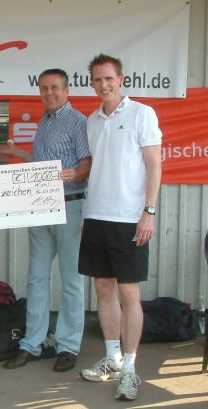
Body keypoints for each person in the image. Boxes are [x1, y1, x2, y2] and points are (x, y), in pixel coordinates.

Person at [79, 54, 162, 402]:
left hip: (130, 219)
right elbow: (96, 169)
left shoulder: (142, 114)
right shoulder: (92, 120)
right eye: (97, 80)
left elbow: (155, 166)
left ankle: (129, 368)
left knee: (130, 295)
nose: (103, 85)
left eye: (109, 79)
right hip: (96, 217)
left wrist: (149, 213)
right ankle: (112, 358)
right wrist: (87, 216)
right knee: (103, 289)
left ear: (121, 79)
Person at [1, 69, 91, 372]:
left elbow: (87, 164)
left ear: (67, 90)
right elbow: (42, 164)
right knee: (37, 277)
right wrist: (16, 152)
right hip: (40, 206)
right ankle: (33, 343)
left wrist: (73, 173)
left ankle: (68, 345)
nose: (48, 92)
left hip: (70, 205)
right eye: (43, 88)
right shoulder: (45, 121)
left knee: (71, 279)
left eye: (54, 87)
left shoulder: (78, 121)